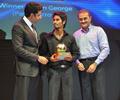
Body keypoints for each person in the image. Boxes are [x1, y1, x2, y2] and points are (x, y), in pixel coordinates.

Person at [12, 2, 48, 100]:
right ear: (32, 15)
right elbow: (18, 49)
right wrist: (37, 58)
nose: (40, 17)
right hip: (24, 70)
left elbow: (34, 47)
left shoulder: (33, 27)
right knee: (22, 97)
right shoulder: (18, 26)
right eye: (39, 15)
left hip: (34, 70)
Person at [40, 11, 79, 100]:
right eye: (54, 20)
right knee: (52, 97)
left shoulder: (70, 37)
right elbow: (42, 55)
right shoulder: (47, 37)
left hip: (67, 71)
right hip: (53, 70)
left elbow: (76, 54)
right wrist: (50, 59)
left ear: (64, 21)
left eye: (57, 20)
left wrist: (71, 58)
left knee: (68, 97)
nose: (55, 22)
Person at [73, 9, 110, 100]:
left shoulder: (98, 30)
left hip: (97, 64)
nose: (83, 21)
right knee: (85, 94)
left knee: (99, 93)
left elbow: (106, 49)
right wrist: (78, 63)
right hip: (82, 65)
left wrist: (95, 63)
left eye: (85, 18)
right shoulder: (75, 34)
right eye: (80, 19)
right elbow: (73, 52)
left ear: (90, 18)